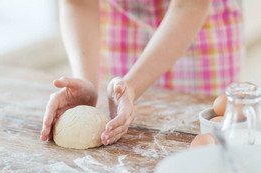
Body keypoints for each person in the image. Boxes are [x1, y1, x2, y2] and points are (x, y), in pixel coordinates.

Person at [40, 0, 243, 146]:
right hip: (122, 29)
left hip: (200, 34)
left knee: (205, 135)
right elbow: (78, 3)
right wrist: (87, 82)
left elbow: (190, 5)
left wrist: (133, 86)